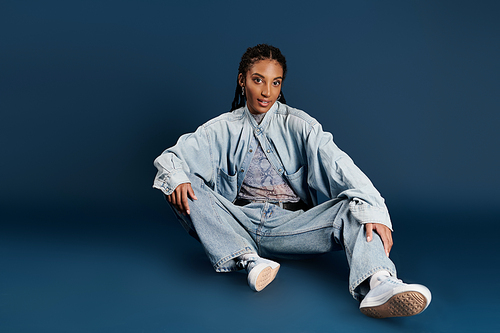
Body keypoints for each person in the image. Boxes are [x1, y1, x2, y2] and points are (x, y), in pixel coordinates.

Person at [153, 44, 431, 318]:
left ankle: (379, 282)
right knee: (180, 182)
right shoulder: (221, 128)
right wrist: (178, 179)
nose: (266, 92)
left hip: (293, 228)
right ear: (242, 80)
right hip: (237, 223)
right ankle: (249, 260)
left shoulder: (300, 125)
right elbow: (170, 159)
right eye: (258, 80)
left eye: (275, 83)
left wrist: (376, 210)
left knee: (356, 206)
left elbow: (340, 166)